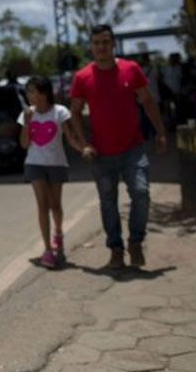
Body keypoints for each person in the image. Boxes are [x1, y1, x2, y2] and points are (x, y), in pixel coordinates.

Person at [70, 24, 167, 269]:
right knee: (108, 202)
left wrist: (160, 132)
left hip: (132, 149)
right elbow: (75, 113)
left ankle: (135, 240)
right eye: (96, 43)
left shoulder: (130, 69)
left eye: (105, 42)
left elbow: (147, 100)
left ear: (113, 43)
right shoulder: (82, 77)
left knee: (141, 193)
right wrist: (84, 145)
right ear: (91, 46)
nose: (101, 47)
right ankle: (115, 248)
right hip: (101, 154)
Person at [18, 77, 85, 269]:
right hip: (34, 164)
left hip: (56, 164)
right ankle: (47, 249)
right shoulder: (26, 115)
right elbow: (24, 144)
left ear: (44, 93)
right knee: (42, 205)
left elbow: (70, 138)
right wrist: (27, 123)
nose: (29, 95)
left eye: (32, 91)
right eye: (28, 92)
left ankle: (58, 233)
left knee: (56, 206)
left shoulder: (60, 112)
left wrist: (83, 149)